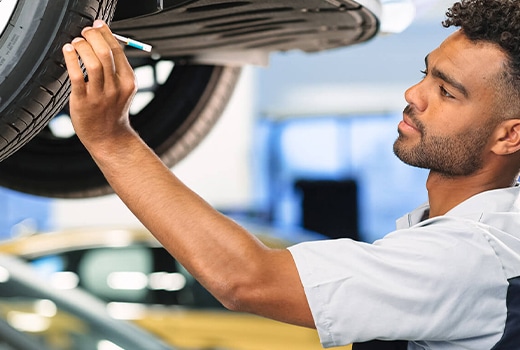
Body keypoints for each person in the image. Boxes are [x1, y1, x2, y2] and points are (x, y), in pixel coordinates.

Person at [62, 0, 520, 349]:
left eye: (445, 92)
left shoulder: (469, 257)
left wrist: (111, 140)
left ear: (509, 136)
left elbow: (245, 279)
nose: (413, 93)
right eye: (424, 73)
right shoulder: (480, 238)